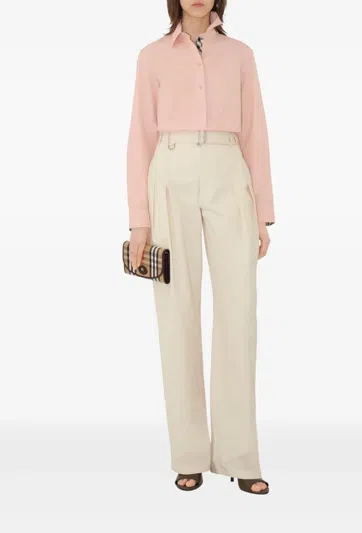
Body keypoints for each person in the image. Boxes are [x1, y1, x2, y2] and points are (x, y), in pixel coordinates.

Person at [126, 0, 275, 495]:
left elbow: (255, 132)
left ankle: (240, 454)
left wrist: (263, 212)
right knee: (177, 314)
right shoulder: (151, 56)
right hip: (169, 172)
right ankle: (188, 454)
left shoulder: (240, 54)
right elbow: (140, 138)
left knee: (239, 312)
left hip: (229, 172)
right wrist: (139, 222)